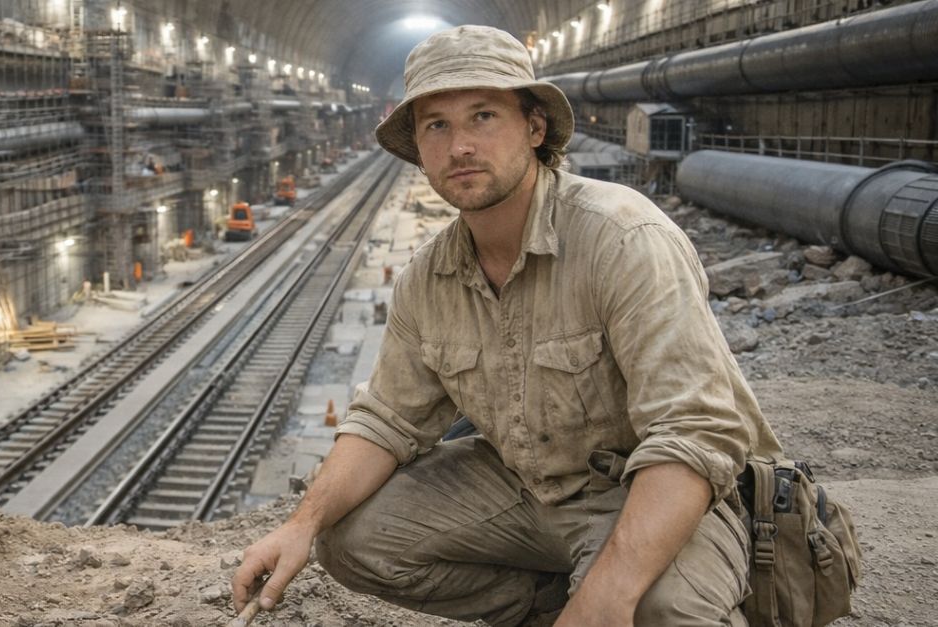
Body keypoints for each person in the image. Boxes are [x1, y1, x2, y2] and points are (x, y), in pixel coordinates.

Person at [232, 25, 782, 626]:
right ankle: (549, 608)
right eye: (436, 126)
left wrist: (610, 593)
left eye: (484, 116)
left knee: (660, 609)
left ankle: (624, 591)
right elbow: (387, 420)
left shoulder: (623, 239)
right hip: (527, 492)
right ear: (418, 148)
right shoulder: (429, 277)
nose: (460, 146)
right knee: (351, 538)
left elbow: (695, 433)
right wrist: (300, 524)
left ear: (535, 128)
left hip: (648, 490)